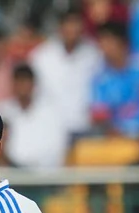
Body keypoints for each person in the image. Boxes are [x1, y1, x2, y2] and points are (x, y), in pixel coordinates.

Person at [29, 9, 105, 137]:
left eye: (76, 25)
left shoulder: (94, 54)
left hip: (85, 126)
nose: (72, 30)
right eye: (68, 24)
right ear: (60, 27)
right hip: (52, 127)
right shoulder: (41, 56)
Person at [90, 21, 139, 136]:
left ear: (123, 42)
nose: (104, 48)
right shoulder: (100, 79)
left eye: (109, 42)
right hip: (121, 140)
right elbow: (99, 114)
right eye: (101, 43)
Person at [0, 64, 73, 168]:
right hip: (11, 173)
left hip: (44, 174)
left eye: (25, 82)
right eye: (19, 82)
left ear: (33, 84)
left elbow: (57, 148)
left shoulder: (51, 113)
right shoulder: (2, 111)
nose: (22, 87)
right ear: (13, 84)